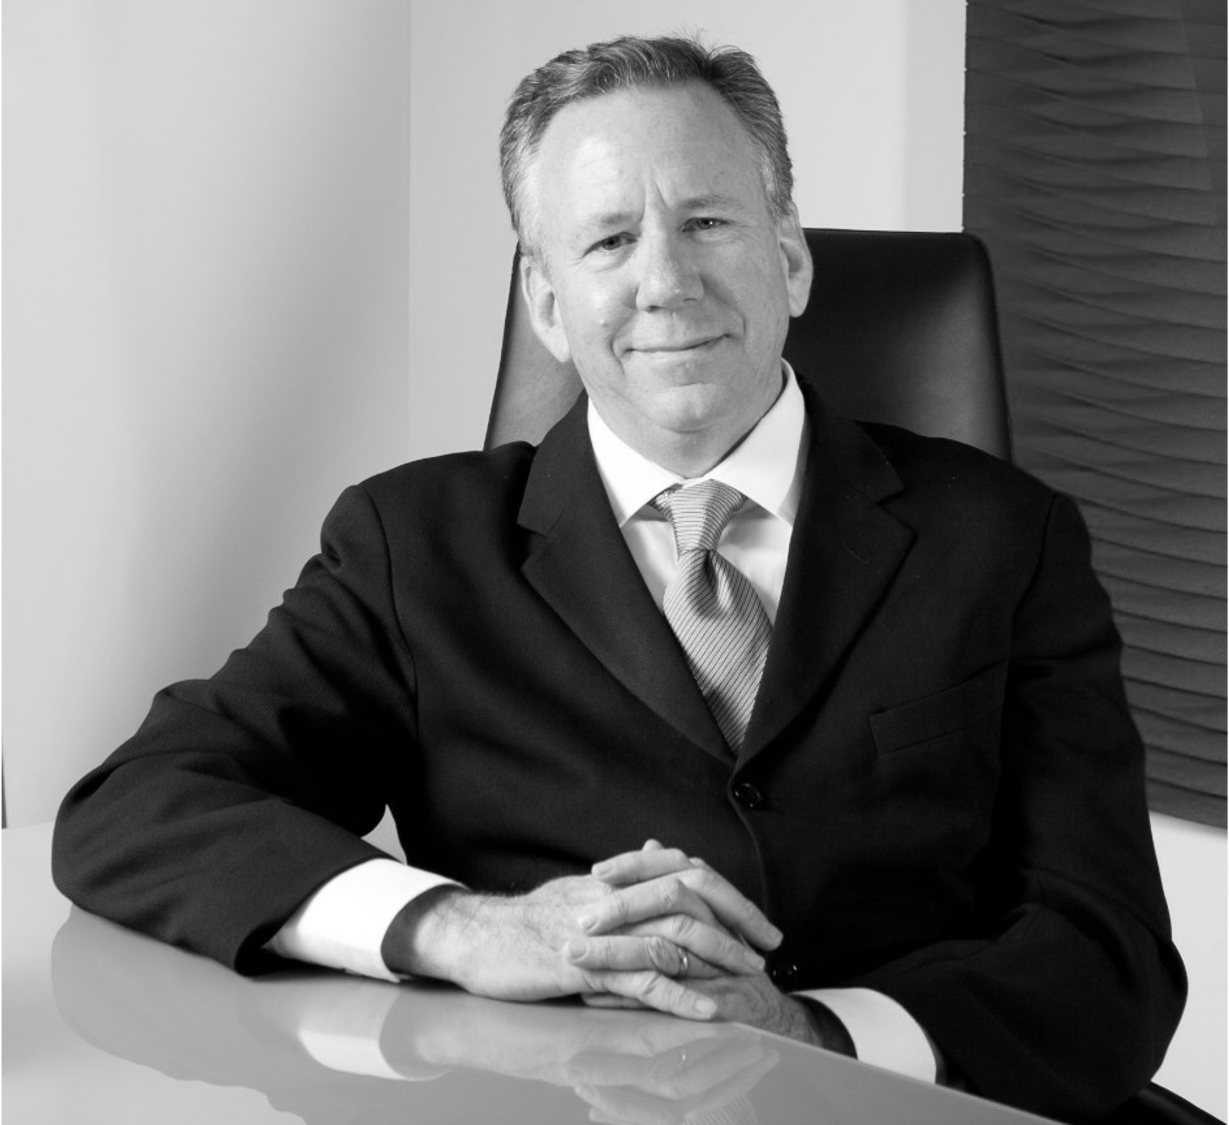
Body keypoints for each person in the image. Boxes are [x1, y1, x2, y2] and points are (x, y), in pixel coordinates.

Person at [52, 34, 1185, 1121]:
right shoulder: (415, 543)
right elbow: (139, 810)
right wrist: (464, 928)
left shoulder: (1003, 537)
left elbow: (1108, 953)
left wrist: (813, 1034)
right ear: (547, 304)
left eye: (705, 221)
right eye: (604, 242)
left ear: (787, 255)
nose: (664, 282)